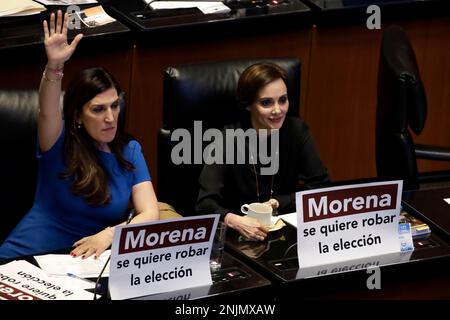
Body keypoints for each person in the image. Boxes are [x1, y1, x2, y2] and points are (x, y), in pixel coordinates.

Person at [0, 11, 159, 260]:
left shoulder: (130, 151)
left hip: (84, 261)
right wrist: (54, 67)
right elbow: (47, 110)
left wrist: (109, 235)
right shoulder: (58, 142)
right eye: (98, 109)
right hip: (28, 256)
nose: (110, 117)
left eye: (114, 106)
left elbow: (150, 214)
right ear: (77, 115)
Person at [196, 62, 330, 241]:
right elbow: (205, 204)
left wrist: (278, 202)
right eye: (266, 103)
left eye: (283, 100)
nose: (277, 110)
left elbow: (322, 189)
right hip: (238, 237)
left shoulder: (297, 131)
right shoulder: (227, 139)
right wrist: (234, 220)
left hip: (284, 236)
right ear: (248, 104)